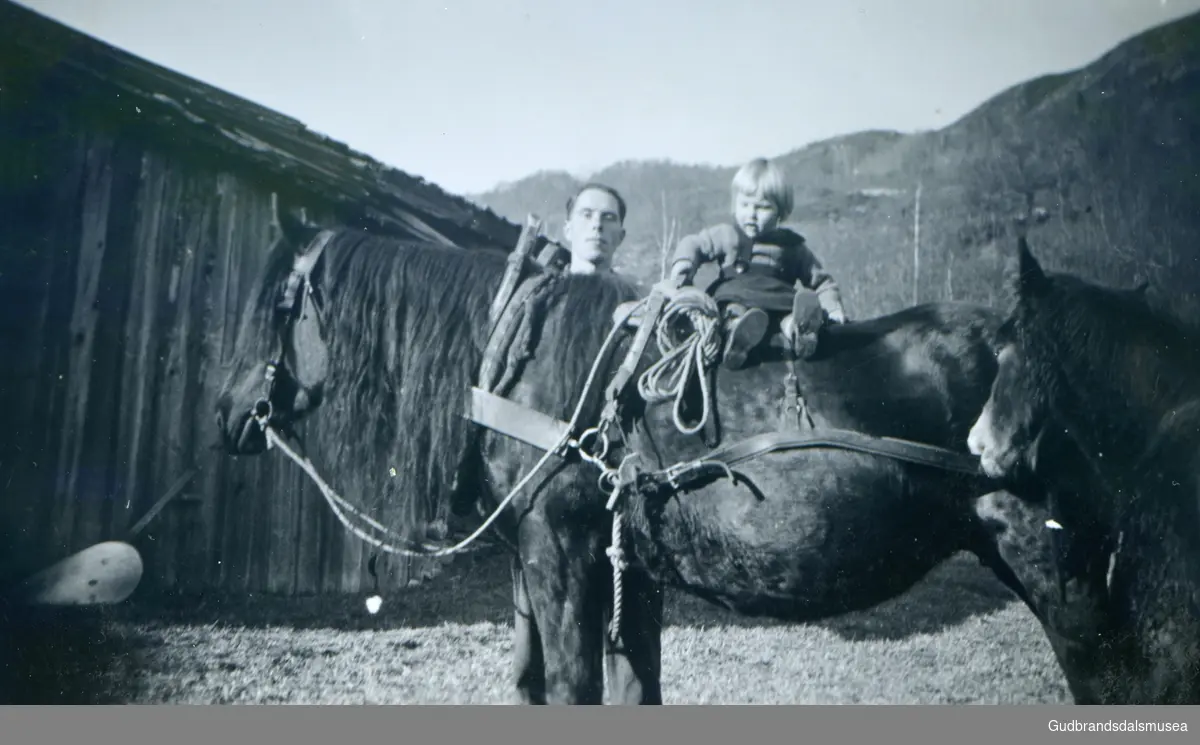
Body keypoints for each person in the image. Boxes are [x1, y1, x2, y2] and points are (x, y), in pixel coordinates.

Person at [666, 157, 847, 369]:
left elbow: (822, 281)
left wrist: (832, 308)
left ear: (781, 211)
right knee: (733, 311)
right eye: (745, 205)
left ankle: (799, 332)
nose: (751, 214)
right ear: (735, 205)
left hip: (780, 301)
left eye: (762, 208)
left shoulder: (792, 246)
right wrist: (684, 264)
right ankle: (736, 338)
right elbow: (695, 243)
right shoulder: (727, 234)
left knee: (789, 317)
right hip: (737, 298)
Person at [560, 182, 627, 275]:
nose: (597, 224)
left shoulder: (635, 290)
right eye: (587, 215)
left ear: (621, 236)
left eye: (608, 218)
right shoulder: (539, 288)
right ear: (568, 230)